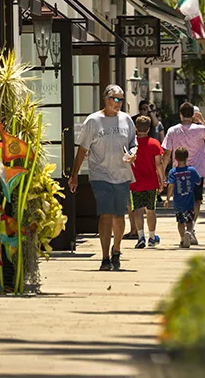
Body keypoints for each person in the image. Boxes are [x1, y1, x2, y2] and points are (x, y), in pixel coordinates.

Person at [69, 84, 137, 271]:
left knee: (119, 215)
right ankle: (105, 257)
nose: (119, 103)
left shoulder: (126, 120)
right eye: (116, 99)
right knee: (105, 215)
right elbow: (82, 149)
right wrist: (74, 175)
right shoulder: (93, 121)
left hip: (122, 173)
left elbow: (133, 143)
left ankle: (117, 250)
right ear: (106, 100)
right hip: (100, 174)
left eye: (121, 100)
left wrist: (133, 153)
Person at [161, 102, 205, 244]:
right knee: (196, 201)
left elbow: (166, 153)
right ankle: (191, 229)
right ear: (193, 115)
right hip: (196, 172)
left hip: (178, 172)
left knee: (181, 201)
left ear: (180, 114)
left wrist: (162, 173)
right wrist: (203, 121)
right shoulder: (200, 129)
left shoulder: (172, 130)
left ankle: (184, 231)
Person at [130, 115, 165, 249]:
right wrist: (162, 180)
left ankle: (140, 237)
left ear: (135, 128)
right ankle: (152, 236)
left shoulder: (132, 144)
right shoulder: (154, 144)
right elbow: (159, 163)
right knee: (151, 209)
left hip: (135, 182)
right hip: (151, 182)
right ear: (149, 128)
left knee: (137, 209)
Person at [164, 147, 202, 248]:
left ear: (175, 158)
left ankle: (182, 239)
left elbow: (171, 185)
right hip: (189, 201)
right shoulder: (192, 170)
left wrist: (167, 199)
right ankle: (189, 232)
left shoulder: (173, 172)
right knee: (190, 220)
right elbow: (198, 182)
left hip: (178, 202)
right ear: (187, 157)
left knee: (180, 221)